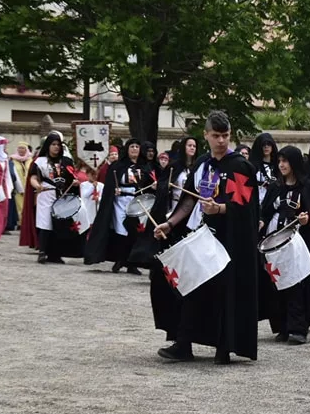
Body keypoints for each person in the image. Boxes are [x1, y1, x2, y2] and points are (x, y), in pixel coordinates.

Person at [151, 110, 259, 364]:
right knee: (189, 288)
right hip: (199, 235)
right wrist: (170, 223)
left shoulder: (239, 167)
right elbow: (189, 198)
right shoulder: (202, 164)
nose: (221, 141)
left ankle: (224, 346)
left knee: (223, 294)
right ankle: (183, 343)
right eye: (216, 135)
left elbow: (245, 206)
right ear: (206, 135)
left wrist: (220, 208)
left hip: (226, 240)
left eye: (225, 135)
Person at [258, 145, 310, 344]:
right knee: (276, 283)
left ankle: (298, 328)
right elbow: (265, 211)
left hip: (295, 244)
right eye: (279, 161)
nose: (281, 165)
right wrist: (260, 221)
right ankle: (282, 326)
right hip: (274, 241)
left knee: (295, 284)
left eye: (285, 161)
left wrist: (306, 221)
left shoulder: (308, 188)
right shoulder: (275, 187)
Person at [85, 138, 152, 274]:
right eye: (132, 146)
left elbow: (148, 183)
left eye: (137, 147)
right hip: (120, 201)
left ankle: (132, 263)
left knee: (135, 231)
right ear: (127, 149)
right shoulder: (118, 166)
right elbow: (110, 184)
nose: (134, 149)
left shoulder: (144, 166)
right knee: (122, 230)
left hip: (137, 201)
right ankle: (120, 259)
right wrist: (113, 192)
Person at [27, 133, 78, 263]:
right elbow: (33, 177)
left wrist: (76, 182)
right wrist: (37, 186)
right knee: (45, 223)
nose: (56, 147)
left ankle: (55, 254)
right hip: (46, 194)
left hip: (62, 195)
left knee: (59, 224)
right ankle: (42, 251)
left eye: (58, 145)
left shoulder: (66, 161)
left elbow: (73, 176)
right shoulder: (40, 161)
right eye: (53, 144)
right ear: (48, 146)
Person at [249, 132, 279, 206]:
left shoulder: (278, 165)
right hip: (257, 201)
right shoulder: (253, 166)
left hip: (275, 202)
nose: (266, 147)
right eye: (263, 145)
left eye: (268, 144)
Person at [10, 142, 33, 225]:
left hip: (29, 187)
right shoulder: (13, 160)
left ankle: (27, 223)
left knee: (28, 206)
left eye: (23, 148)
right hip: (18, 187)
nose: (21, 150)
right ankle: (20, 223)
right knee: (19, 206)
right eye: (19, 148)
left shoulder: (30, 160)